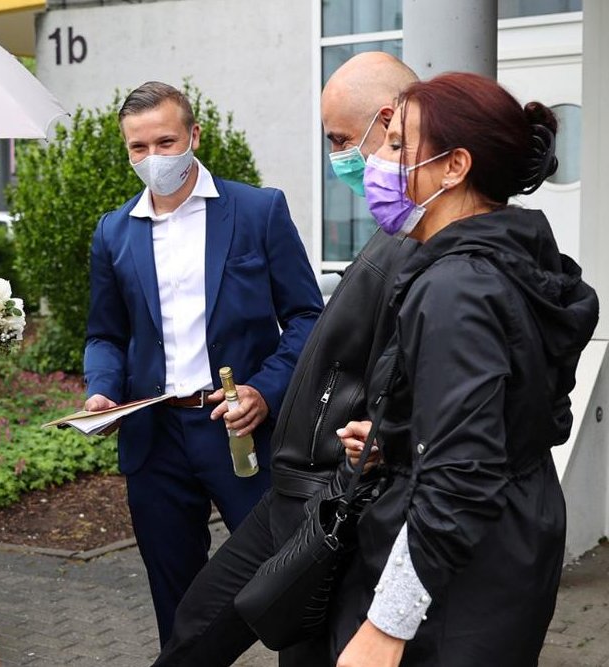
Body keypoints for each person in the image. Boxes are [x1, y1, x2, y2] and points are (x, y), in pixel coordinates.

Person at [154, 51, 420, 666]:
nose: (341, 160)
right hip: (297, 483)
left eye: (341, 141)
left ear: (389, 125)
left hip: (331, 492)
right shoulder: (395, 227)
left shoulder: (431, 249)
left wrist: (272, 395)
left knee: (295, 638)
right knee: (199, 622)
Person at [332, 71, 598, 666]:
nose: (379, 160)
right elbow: (503, 417)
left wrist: (386, 627)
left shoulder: (456, 287)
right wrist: (399, 441)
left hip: (459, 580)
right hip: (511, 539)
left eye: (399, 146)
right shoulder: (510, 258)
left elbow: (462, 477)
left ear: (454, 168)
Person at [84, 81, 324, 644]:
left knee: (291, 581)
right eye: (138, 149)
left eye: (165, 142)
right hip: (154, 437)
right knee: (178, 603)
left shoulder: (258, 210)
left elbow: (308, 317)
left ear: (194, 135)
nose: (153, 159)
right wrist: (101, 390)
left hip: (242, 430)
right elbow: (105, 333)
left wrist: (265, 390)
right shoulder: (113, 230)